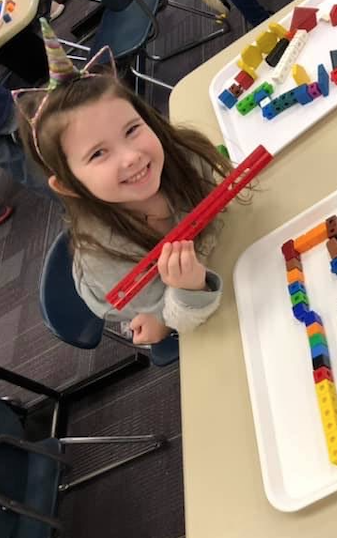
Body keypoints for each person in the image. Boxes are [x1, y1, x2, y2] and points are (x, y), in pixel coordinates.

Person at [14, 19, 237, 345]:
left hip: (235, 253)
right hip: (186, 303)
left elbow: (226, 197)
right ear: (69, 185)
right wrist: (184, 296)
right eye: (98, 153)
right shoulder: (105, 259)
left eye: (132, 130)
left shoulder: (182, 155)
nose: (130, 156)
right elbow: (174, 313)